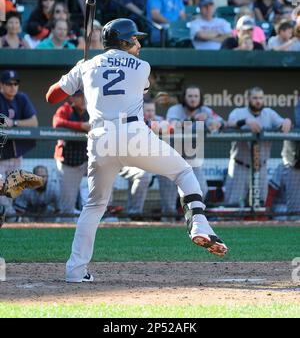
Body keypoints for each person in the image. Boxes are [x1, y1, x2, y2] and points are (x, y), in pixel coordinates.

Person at [46, 18, 228, 282]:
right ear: (124, 41)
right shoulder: (143, 67)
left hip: (100, 137)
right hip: (133, 133)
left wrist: (77, 72)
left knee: (95, 205)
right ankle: (199, 224)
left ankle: (75, 271)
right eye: (135, 39)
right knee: (183, 172)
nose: (138, 44)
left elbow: (51, 97)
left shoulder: (86, 66)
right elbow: (132, 86)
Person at [224, 87, 292, 206]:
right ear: (248, 98)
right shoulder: (238, 112)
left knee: (260, 205)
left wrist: (287, 121)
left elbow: (283, 123)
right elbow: (227, 124)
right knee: (233, 205)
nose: (258, 101)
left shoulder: (269, 113)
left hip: (261, 168)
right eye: (255, 98)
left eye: (260, 98)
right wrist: (245, 121)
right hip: (240, 167)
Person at [164, 84, 226, 210]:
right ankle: (168, 221)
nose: (193, 99)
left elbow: (223, 122)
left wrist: (216, 123)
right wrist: (192, 119)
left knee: (201, 189)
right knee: (169, 195)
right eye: (190, 96)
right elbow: (172, 125)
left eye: (196, 96)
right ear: (184, 97)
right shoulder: (175, 109)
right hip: (171, 156)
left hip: (191, 157)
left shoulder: (205, 110)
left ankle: (192, 217)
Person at [0, 70, 38, 216]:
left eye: (16, 83)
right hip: (1, 154)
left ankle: (8, 219)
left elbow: (33, 122)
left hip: (16, 154)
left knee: (11, 192)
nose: (13, 87)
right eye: (9, 84)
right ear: (1, 85)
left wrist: (14, 123)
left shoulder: (21, 98)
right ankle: (9, 216)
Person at [53, 90, 89, 219]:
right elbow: (56, 122)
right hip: (68, 160)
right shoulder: (65, 109)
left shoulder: (91, 109)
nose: (84, 99)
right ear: (72, 98)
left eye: (85, 95)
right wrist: (81, 126)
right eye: (80, 96)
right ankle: (64, 228)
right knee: (67, 204)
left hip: (86, 158)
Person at [265, 141, 300, 220]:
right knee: (281, 212)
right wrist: (267, 210)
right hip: (282, 205)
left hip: (296, 208)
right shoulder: (283, 167)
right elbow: (271, 190)